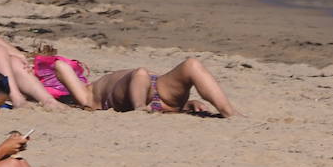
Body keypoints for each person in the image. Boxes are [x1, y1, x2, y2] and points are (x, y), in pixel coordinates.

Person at [50, 56, 241, 117]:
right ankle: (140, 108)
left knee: (191, 64)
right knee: (141, 73)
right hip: (143, 91)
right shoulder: (86, 95)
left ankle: (228, 111)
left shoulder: (90, 89)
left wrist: (188, 104)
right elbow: (60, 66)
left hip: (159, 92)